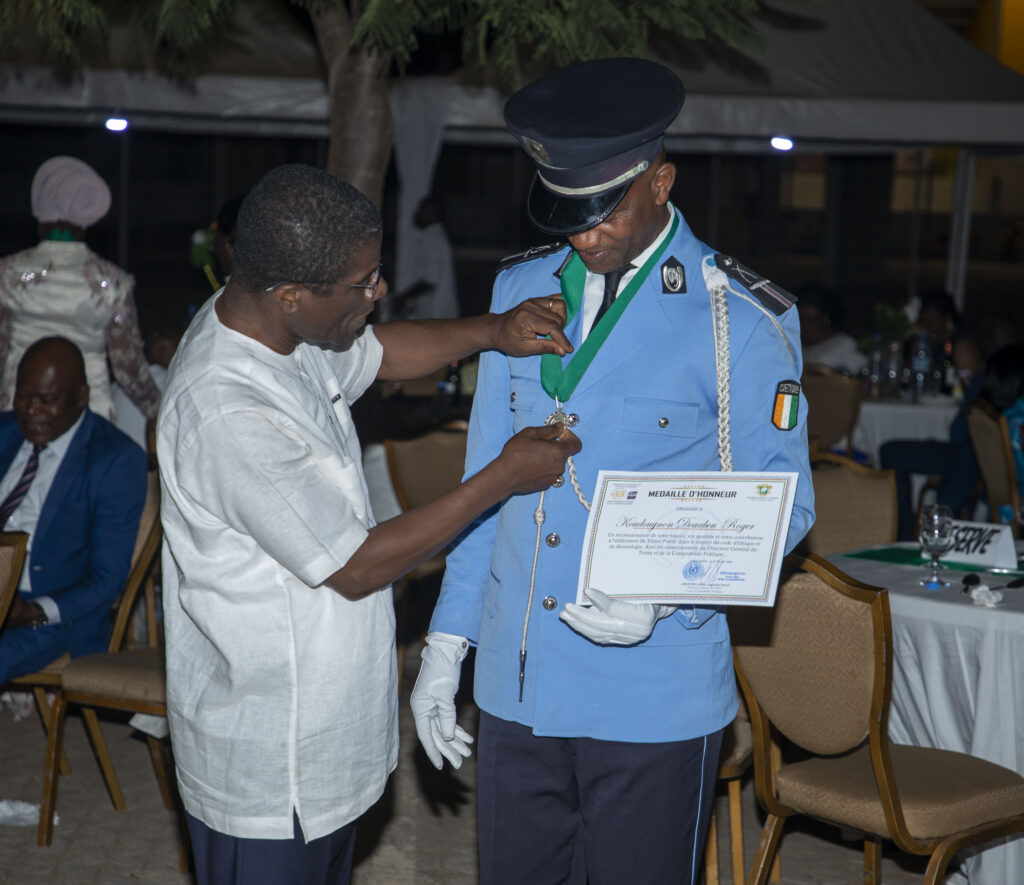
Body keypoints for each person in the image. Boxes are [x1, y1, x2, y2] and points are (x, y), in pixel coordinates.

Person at [410, 58, 815, 885]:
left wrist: (668, 596)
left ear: (661, 183)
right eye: (569, 215)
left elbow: (785, 509)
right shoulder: (520, 288)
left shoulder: (737, 317)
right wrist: (449, 643)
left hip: (653, 688)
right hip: (518, 681)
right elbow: (484, 487)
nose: (584, 236)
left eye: (604, 212)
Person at [157, 163, 581, 885]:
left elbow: (379, 353)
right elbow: (357, 565)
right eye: (362, 282)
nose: (378, 291)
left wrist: (493, 330)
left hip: (325, 729)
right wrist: (502, 477)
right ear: (291, 293)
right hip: (273, 761)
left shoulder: (279, 328)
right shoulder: (228, 410)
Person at [0, 337, 146, 683]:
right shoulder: (5, 431)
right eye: (23, 396)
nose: (31, 410)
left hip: (46, 615)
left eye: (47, 400)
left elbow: (107, 578)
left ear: (81, 397)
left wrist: (33, 611)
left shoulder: (114, 459)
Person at [0, 156, 162, 424]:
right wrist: (159, 411)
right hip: (88, 415)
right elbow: (128, 368)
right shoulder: (113, 282)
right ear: (86, 221)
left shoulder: (7, 274)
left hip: (21, 411)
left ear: (40, 215)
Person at [795, 282, 866, 375]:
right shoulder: (792, 344)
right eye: (800, 320)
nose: (804, 325)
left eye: (811, 320)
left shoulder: (846, 345)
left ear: (826, 319)